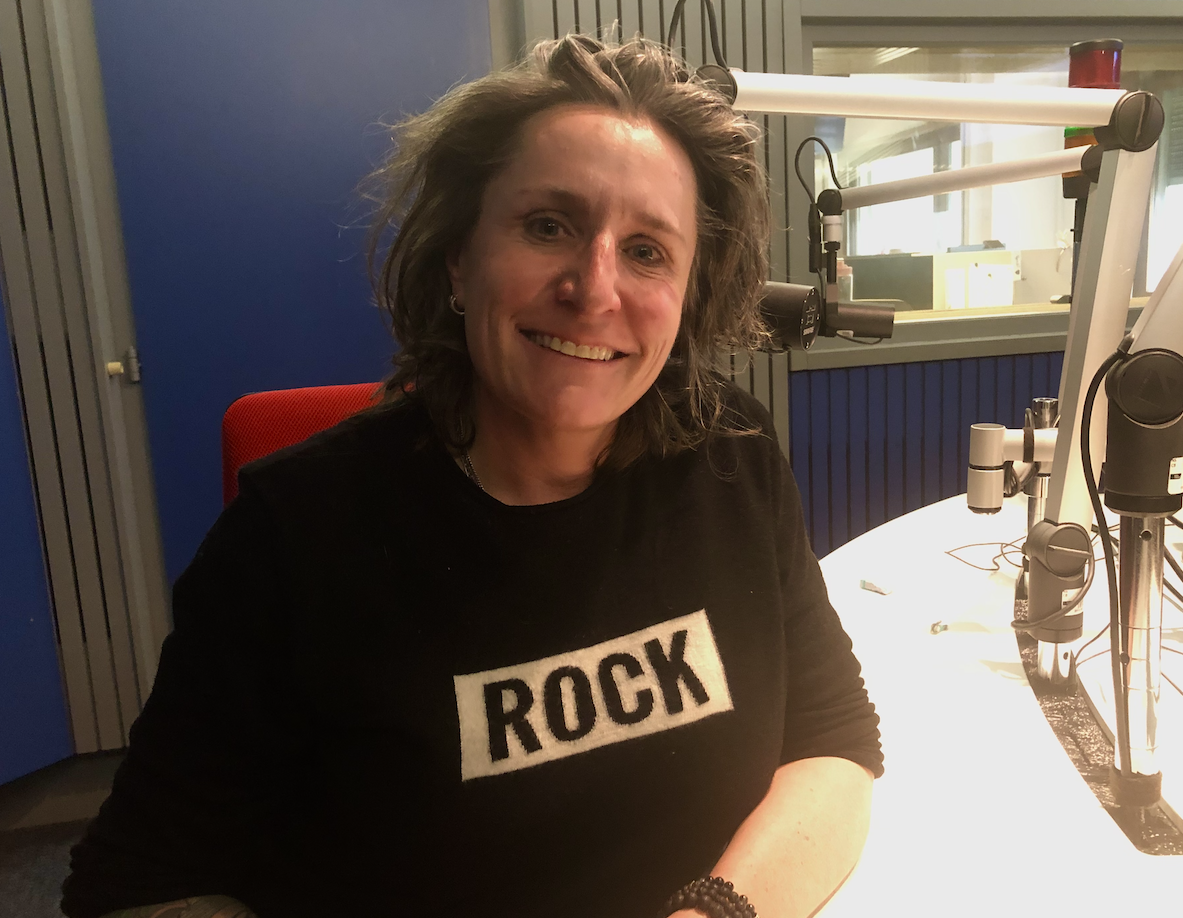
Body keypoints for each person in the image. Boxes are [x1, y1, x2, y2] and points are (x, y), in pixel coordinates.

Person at [62, 33, 882, 918]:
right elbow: (133, 888)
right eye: (548, 226)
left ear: (688, 296)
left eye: (648, 250)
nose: (595, 289)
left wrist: (713, 912)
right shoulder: (292, 536)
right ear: (460, 257)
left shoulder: (733, 453)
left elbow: (832, 736)